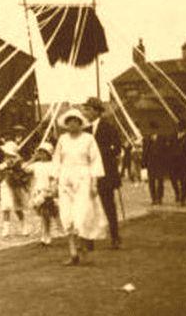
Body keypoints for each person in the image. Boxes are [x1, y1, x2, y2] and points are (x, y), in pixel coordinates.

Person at [54, 108, 107, 266]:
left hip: (84, 179)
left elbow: (95, 161)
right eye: (69, 122)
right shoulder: (62, 139)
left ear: (80, 123)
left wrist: (94, 183)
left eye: (75, 122)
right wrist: (54, 180)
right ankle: (73, 253)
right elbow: (57, 160)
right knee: (67, 216)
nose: (72, 125)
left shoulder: (88, 139)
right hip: (66, 180)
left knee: (81, 216)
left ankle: (83, 248)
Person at [83, 97, 122, 249]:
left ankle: (115, 236)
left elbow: (117, 148)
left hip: (105, 173)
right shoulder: (84, 130)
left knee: (108, 205)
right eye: (86, 109)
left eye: (89, 109)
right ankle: (89, 239)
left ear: (97, 111)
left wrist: (98, 153)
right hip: (88, 174)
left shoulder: (109, 127)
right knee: (89, 206)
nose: (87, 112)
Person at [0, 141, 31, 237]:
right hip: (5, 185)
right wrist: (1, 170)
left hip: (15, 186)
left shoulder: (19, 163)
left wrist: (15, 172)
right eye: (6, 154)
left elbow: (23, 175)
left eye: (8, 154)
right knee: (6, 207)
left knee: (17, 208)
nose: (6, 156)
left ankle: (24, 226)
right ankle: (5, 229)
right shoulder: (3, 163)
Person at [26, 142, 59, 246]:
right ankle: (44, 236)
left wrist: (51, 191)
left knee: (47, 214)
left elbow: (53, 178)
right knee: (43, 215)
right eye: (40, 152)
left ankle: (47, 235)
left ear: (49, 154)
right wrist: (33, 158)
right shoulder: (36, 165)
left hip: (47, 191)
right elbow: (24, 168)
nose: (41, 154)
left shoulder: (52, 165)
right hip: (37, 191)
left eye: (43, 152)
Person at [142, 122, 168, 205]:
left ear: (157, 129)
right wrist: (144, 163)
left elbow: (165, 151)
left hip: (160, 162)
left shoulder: (162, 139)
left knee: (160, 181)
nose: (152, 131)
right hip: (151, 163)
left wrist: (165, 162)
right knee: (151, 181)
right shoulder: (146, 139)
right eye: (151, 129)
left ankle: (159, 198)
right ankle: (153, 198)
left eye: (154, 129)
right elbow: (145, 152)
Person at [170, 120, 186, 206]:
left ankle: (183, 199)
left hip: (184, 162)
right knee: (173, 179)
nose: (178, 128)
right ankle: (177, 193)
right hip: (174, 161)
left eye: (180, 127)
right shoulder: (173, 136)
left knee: (183, 181)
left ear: (183, 128)